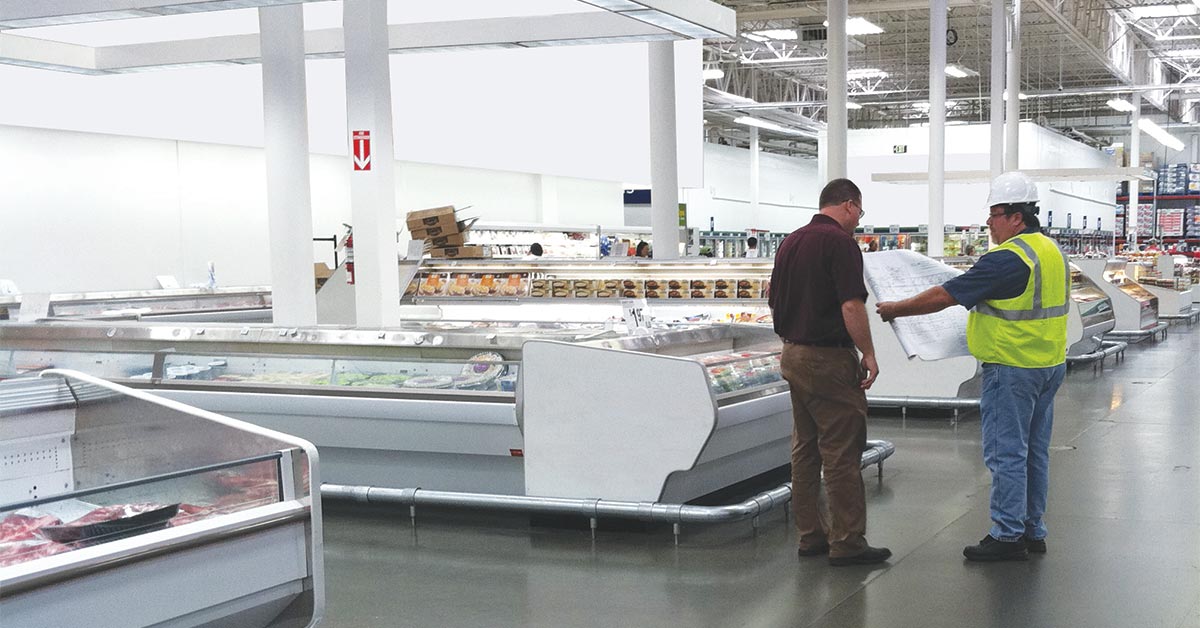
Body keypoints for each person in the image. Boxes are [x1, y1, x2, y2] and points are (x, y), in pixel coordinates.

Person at [876, 171, 1069, 562]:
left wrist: (896, 308)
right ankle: (1033, 529)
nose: (989, 222)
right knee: (1034, 452)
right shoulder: (1050, 250)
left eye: (995, 213)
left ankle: (1007, 535)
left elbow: (946, 295)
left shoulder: (1007, 259)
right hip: (1049, 364)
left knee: (1006, 453)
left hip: (1013, 367)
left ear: (1016, 217)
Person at [769, 178, 890, 567]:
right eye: (860, 212)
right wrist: (868, 352)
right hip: (827, 358)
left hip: (792, 354)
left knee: (805, 449)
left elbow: (773, 297)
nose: (858, 219)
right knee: (841, 450)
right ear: (851, 205)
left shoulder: (790, 241)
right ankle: (848, 541)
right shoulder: (840, 243)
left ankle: (810, 536)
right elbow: (851, 306)